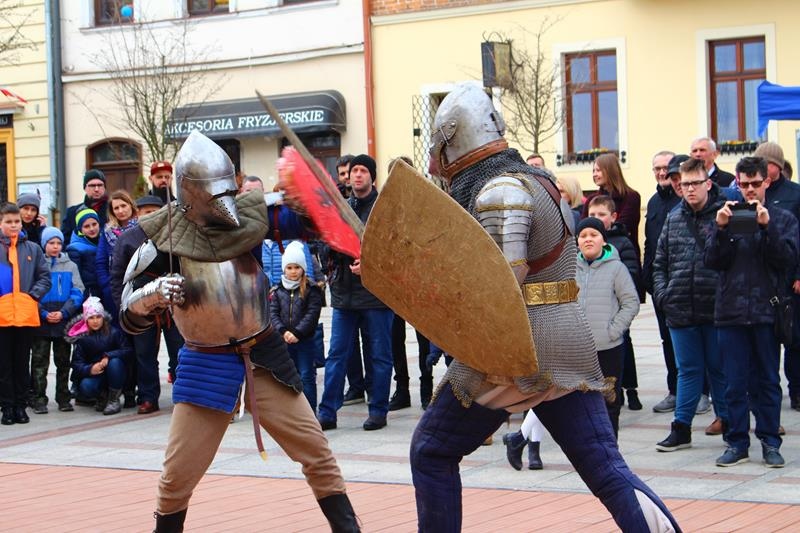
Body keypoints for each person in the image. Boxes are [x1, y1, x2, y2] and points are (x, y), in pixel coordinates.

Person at [408, 83, 680, 532]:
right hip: (566, 340)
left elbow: (497, 290)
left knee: (431, 450)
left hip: (516, 347)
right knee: (607, 468)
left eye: (439, 152)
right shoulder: (538, 182)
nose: (437, 164)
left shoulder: (499, 192)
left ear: (452, 142)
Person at [120, 131, 358, 532]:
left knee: (317, 454)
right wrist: (152, 295)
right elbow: (127, 313)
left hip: (265, 354)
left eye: (228, 188)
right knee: (177, 478)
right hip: (206, 362)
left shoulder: (253, 216)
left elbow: (311, 224)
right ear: (191, 192)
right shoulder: (158, 238)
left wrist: (308, 200)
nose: (226, 199)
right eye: (215, 192)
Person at [705, 156, 798, 468]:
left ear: (766, 182)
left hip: (766, 311)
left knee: (768, 381)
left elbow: (786, 260)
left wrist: (767, 227)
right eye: (743, 184)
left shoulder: (782, 218)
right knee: (733, 383)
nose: (749, 190)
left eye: (755, 183)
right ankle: (736, 443)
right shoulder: (725, 215)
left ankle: (770, 441)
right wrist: (721, 229)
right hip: (730, 311)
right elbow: (712, 261)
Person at [653, 157, 729, 452]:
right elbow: (659, 262)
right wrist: (664, 295)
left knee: (719, 369)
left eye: (695, 183)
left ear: (708, 183)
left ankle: (728, 424)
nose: (690, 189)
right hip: (680, 307)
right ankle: (681, 428)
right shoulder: (674, 218)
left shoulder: (724, 214)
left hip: (716, 308)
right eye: (685, 184)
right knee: (687, 370)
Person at [317, 154, 394, 432]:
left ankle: (378, 410)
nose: (357, 175)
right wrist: (334, 247)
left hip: (376, 297)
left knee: (379, 356)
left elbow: (395, 250)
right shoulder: (340, 208)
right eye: (354, 171)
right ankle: (327, 412)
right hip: (344, 296)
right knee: (336, 355)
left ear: (372, 177)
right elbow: (323, 246)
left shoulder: (384, 209)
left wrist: (370, 265)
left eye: (363, 170)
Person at [110, 195, 182, 414]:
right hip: (141, 304)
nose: (151, 215)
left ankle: (183, 396)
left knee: (180, 352)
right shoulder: (127, 239)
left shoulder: (176, 235)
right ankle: (148, 397)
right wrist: (125, 307)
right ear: (138, 213)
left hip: (174, 303)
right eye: (146, 211)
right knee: (144, 354)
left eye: (155, 211)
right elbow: (118, 275)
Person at [575, 217, 640, 437]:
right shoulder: (571, 268)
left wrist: (613, 331)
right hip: (579, 349)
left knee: (609, 399)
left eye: (594, 235)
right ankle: (587, 445)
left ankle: (610, 445)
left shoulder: (616, 268)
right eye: (583, 236)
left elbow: (630, 302)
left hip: (608, 348)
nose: (588, 239)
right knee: (580, 402)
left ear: (603, 240)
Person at [587, 195, 643, 411]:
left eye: (601, 214)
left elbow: (630, 276)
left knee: (623, 353)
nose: (597, 218)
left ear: (613, 217)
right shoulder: (582, 244)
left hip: (614, 313)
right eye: (592, 214)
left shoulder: (621, 242)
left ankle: (630, 389)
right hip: (594, 320)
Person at [756, 141, 800, 412]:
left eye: (766, 164)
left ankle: (797, 390)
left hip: (789, 280)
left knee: (795, 338)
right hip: (761, 281)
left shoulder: (795, 194)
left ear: (777, 166)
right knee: (765, 342)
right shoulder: (754, 192)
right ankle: (766, 394)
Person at [0, 202, 51, 426]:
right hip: (2, 315)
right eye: (8, 222)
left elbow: (44, 277)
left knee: (22, 363)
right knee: (4, 365)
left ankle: (21, 406)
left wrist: (32, 296)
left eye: (16, 221)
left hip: (25, 314)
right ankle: (7, 407)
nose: (13, 225)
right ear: (1, 223)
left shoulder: (33, 249)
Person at [644, 152, 683, 413]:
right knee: (667, 340)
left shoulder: (684, 200)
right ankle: (674, 390)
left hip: (682, 282)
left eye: (665, 168)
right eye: (656, 168)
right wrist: (648, 277)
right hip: (660, 285)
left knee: (688, 342)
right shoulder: (654, 202)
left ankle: (701, 392)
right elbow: (649, 243)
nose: (661, 173)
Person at [30, 227, 85, 414]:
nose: (55, 246)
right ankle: (39, 398)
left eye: (58, 243)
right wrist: (43, 313)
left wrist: (64, 312)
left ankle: (63, 397)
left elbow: (77, 291)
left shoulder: (70, 266)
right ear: (44, 244)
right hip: (41, 321)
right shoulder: (37, 265)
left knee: (63, 362)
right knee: (39, 363)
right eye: (51, 243)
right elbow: (30, 291)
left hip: (63, 321)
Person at [269, 241, 323, 413]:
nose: (293, 271)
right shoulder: (277, 291)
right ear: (284, 269)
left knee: (306, 375)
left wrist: (297, 333)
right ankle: (291, 412)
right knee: (286, 376)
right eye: (289, 267)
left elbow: (312, 315)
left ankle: (310, 412)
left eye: (297, 267)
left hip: (305, 341)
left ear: (303, 268)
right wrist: (283, 331)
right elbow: (273, 313)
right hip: (284, 341)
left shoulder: (311, 289)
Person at [66, 296, 132, 415]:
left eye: (98, 317)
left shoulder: (114, 332)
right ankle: (102, 397)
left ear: (103, 317)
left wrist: (109, 356)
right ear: (86, 319)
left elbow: (127, 350)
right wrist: (90, 369)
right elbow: (76, 363)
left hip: (116, 373)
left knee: (115, 362)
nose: (95, 321)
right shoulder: (82, 339)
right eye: (91, 318)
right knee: (86, 386)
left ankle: (114, 399)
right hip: (97, 375)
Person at [582, 153, 642, 257]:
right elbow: (584, 226)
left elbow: (623, 227)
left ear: (610, 170)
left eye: (598, 170)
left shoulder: (631, 197)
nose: (594, 174)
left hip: (623, 254)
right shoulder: (591, 200)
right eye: (593, 171)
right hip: (594, 255)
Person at [95, 190, 138, 321]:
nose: (120, 211)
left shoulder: (142, 227)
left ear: (131, 205)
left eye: (123, 206)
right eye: (116, 208)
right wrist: (107, 287)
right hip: (115, 288)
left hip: (139, 285)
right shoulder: (108, 232)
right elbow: (101, 262)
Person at [62, 170, 108, 247]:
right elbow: (65, 241)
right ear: (85, 188)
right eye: (92, 186)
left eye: (100, 185)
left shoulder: (113, 210)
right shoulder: (72, 212)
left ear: (104, 188)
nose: (96, 189)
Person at [66, 208, 101, 299]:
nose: (92, 229)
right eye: (86, 226)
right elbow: (75, 279)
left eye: (94, 224)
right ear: (80, 229)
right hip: (88, 294)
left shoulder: (105, 241)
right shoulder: (75, 249)